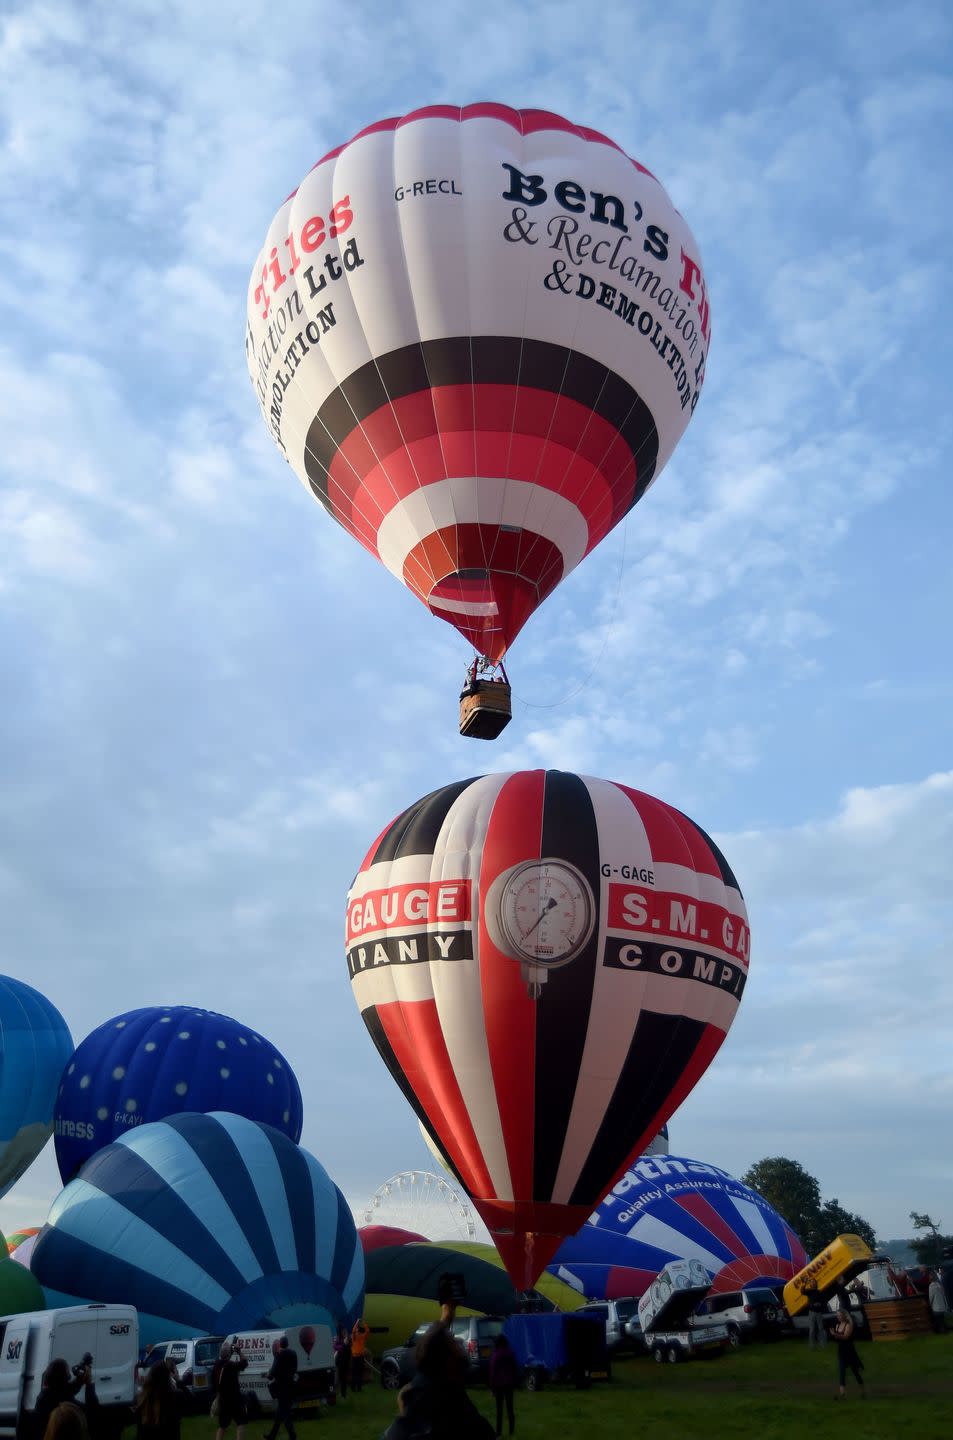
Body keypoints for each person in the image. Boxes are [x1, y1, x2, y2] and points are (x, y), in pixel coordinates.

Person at [380, 1323, 494, 1440]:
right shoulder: (446, 1398)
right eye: (453, 1340)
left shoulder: (429, 1384)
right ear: (445, 1357)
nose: (459, 1341)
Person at [33, 1359, 96, 1440]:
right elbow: (92, 1413)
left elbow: (69, 1389)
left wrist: (80, 1380)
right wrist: (89, 1384)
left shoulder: (46, 1396)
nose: (69, 1376)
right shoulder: (66, 1406)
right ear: (62, 1379)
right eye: (67, 1375)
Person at [135, 1359, 188, 1440]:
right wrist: (178, 1380)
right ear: (168, 1377)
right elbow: (192, 1403)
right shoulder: (176, 1396)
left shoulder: (143, 1399)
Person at [211, 1339, 248, 1440]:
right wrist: (239, 1351)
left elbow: (213, 1383)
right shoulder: (230, 1365)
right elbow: (244, 1363)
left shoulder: (216, 1365)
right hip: (235, 1399)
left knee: (222, 1426)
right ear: (228, 1354)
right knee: (240, 1423)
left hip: (223, 1399)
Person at [264, 1337, 297, 1440]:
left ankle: (293, 1436)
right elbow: (295, 1368)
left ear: (280, 1345)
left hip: (282, 1388)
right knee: (279, 1415)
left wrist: (267, 1375)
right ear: (287, 1344)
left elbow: (273, 1373)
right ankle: (272, 1436)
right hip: (291, 1386)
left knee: (285, 1415)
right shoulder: (293, 1353)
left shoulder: (279, 1355)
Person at [488, 1333, 518, 1439]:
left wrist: (492, 1388)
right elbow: (514, 1368)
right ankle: (511, 1430)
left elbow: (493, 1373)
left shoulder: (496, 1355)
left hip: (499, 1385)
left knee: (499, 1410)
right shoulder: (510, 1353)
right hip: (509, 1384)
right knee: (510, 1408)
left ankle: (499, 1432)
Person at [831, 1308, 865, 1399]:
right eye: (837, 1315)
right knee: (842, 1372)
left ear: (844, 1316)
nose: (838, 1317)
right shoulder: (837, 1325)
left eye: (839, 1315)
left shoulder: (848, 1325)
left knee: (855, 1372)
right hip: (841, 1351)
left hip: (849, 1351)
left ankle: (863, 1391)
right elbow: (838, 1339)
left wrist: (835, 1334)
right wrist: (834, 1335)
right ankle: (842, 1394)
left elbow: (846, 1337)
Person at [350, 1318, 369, 1394]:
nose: (357, 1332)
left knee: (360, 1372)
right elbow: (353, 1331)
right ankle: (353, 1387)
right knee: (354, 1373)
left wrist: (364, 1323)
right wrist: (357, 1322)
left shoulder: (362, 1337)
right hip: (355, 1357)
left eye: (358, 1331)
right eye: (357, 1331)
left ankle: (359, 1387)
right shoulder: (354, 1338)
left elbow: (367, 1330)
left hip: (361, 1357)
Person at [928, 1270, 950, 1334]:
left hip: (936, 1306)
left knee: (939, 1320)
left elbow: (931, 1297)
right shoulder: (939, 1285)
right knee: (942, 1319)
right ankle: (945, 1330)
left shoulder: (931, 1286)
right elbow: (943, 1294)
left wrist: (930, 1304)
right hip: (942, 1305)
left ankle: (943, 1331)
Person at [333, 1326, 351, 1400]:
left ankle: (343, 1394)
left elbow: (350, 1348)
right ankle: (338, 1393)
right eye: (343, 1331)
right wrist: (343, 1345)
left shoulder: (349, 1339)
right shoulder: (339, 1339)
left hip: (345, 1362)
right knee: (339, 1378)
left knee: (343, 1379)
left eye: (345, 1331)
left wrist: (347, 1343)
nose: (344, 1332)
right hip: (340, 1362)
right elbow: (335, 1346)